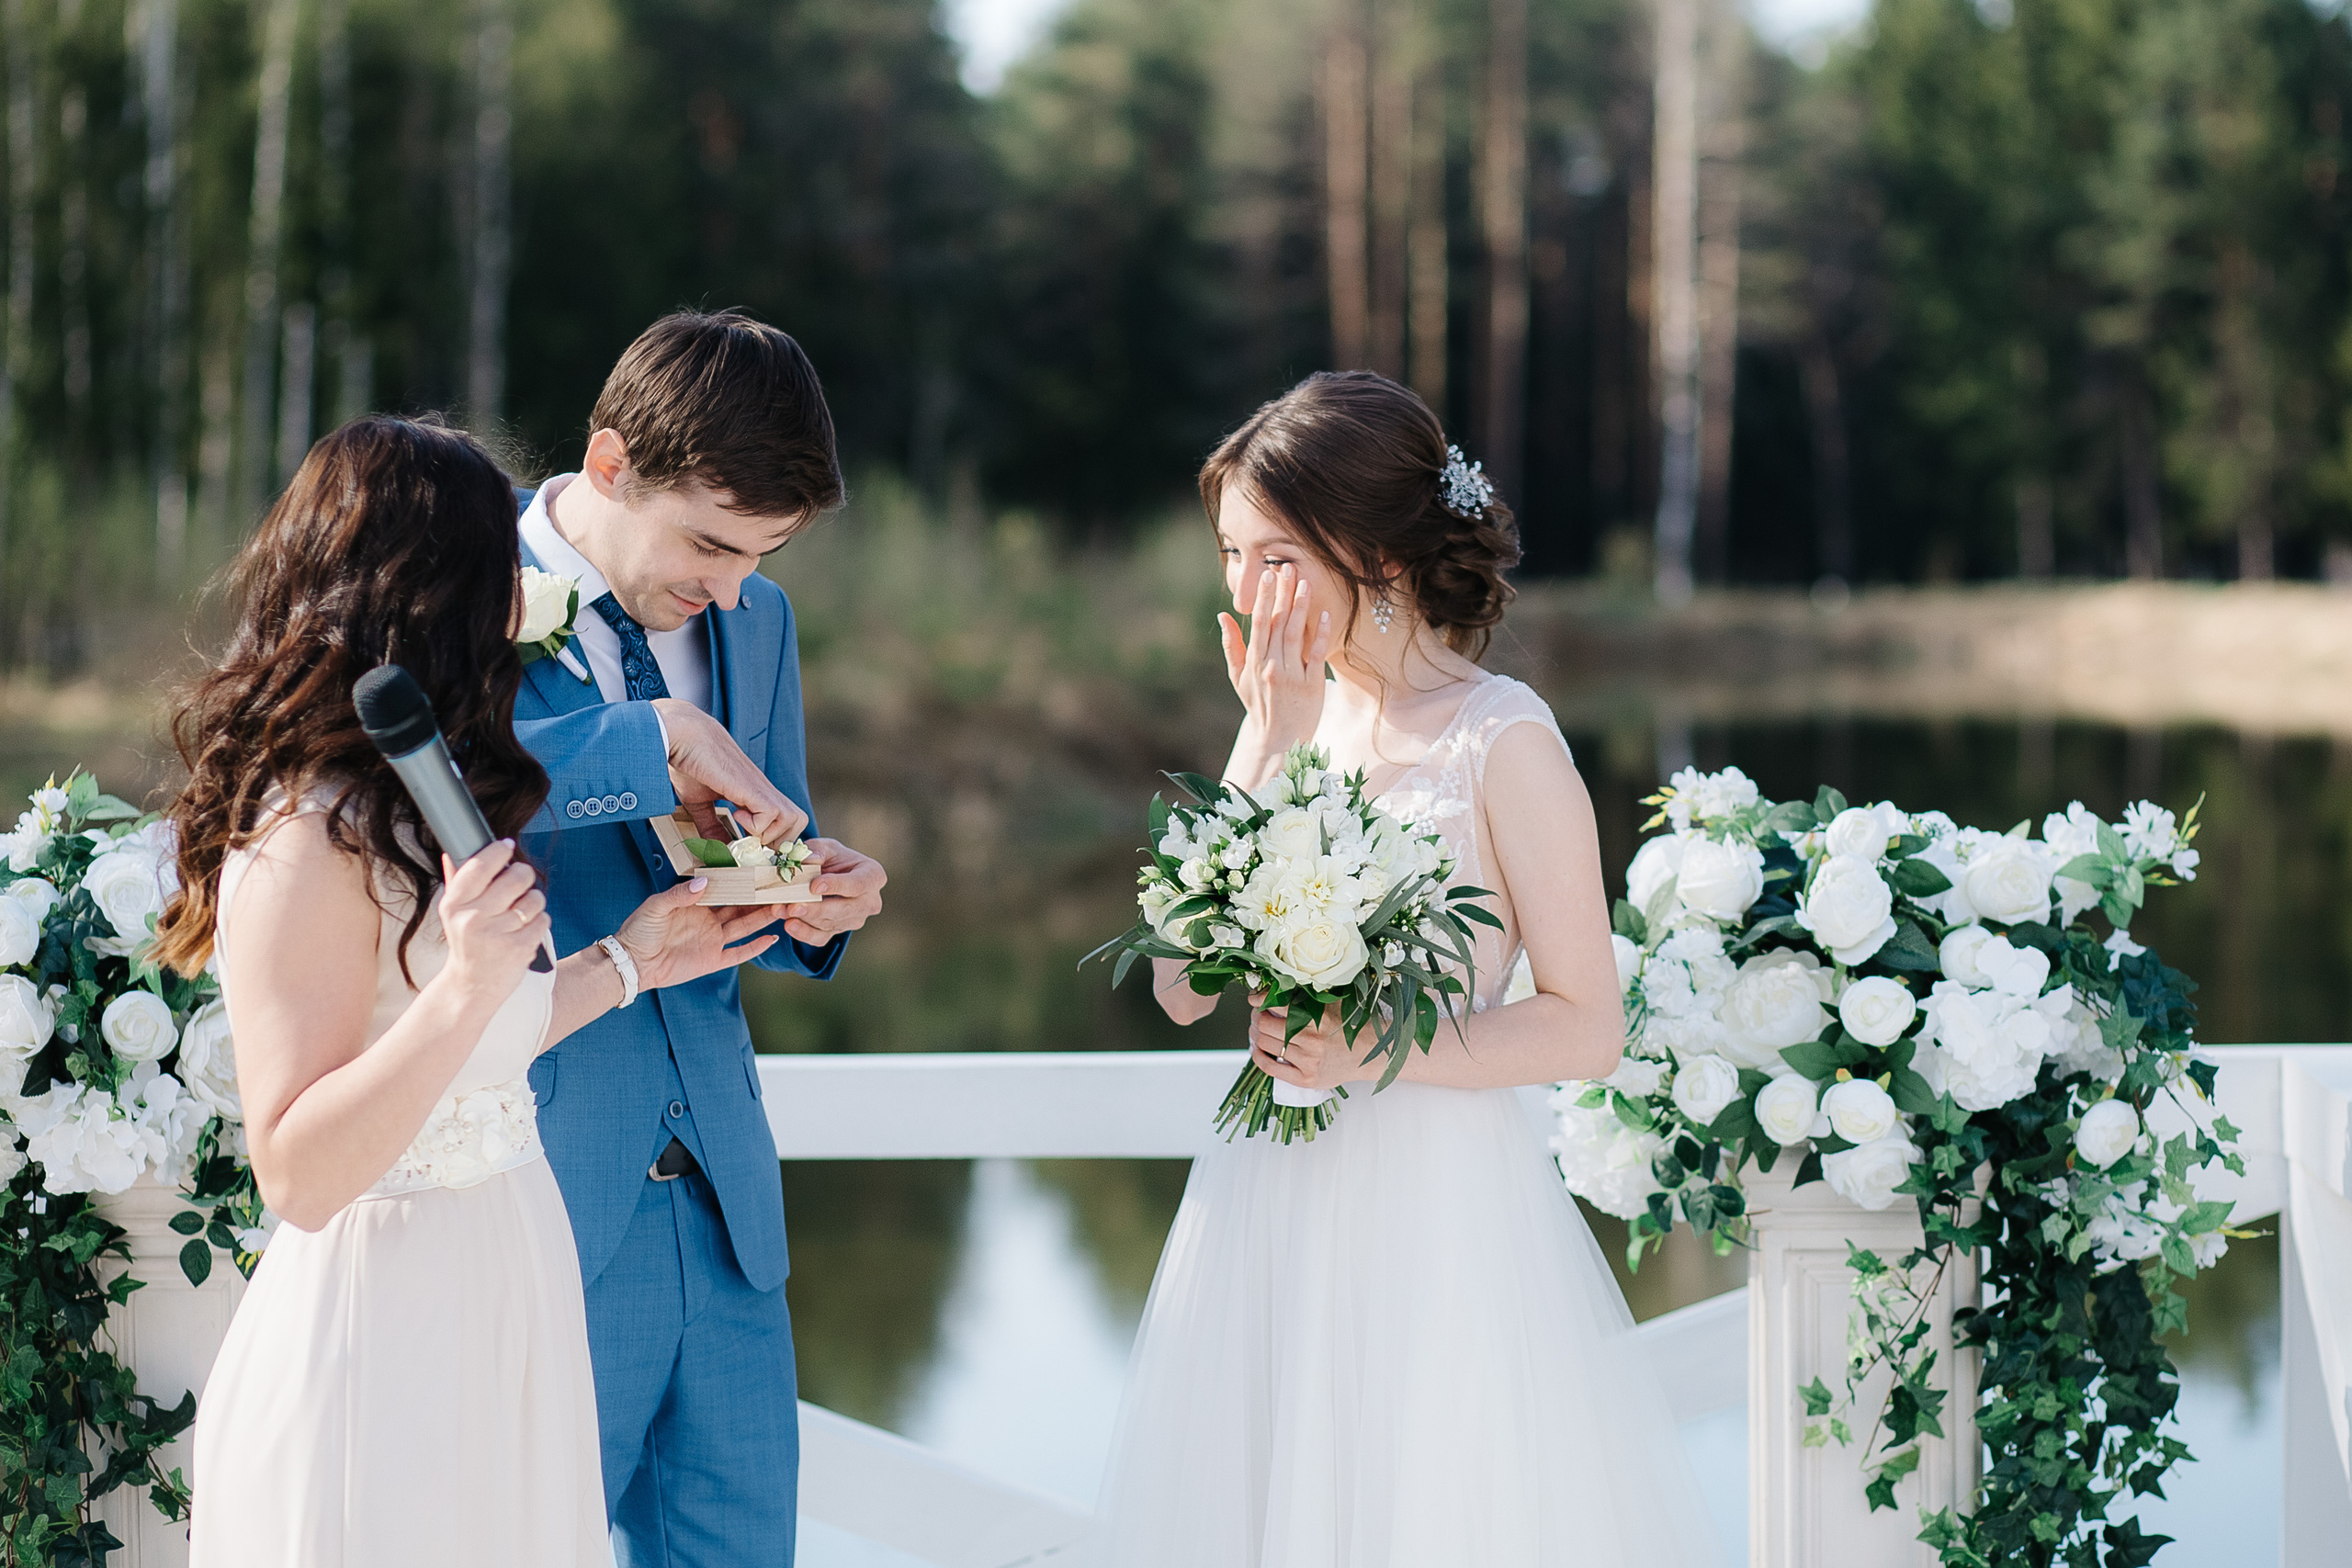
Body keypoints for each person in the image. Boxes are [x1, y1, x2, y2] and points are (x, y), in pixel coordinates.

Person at [1094, 371, 1723, 1567]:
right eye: (1230, 553)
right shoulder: (1292, 720)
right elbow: (1179, 983)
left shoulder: (1505, 739)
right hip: (1268, 1201)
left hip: (1437, 1207)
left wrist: (1372, 1047)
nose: (1242, 589)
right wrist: (1263, 738)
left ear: (1372, 550)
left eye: (1274, 554)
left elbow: (1588, 1024)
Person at [157, 416, 788, 1566]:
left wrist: (636, 956)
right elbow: (297, 1169)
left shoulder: (418, 804)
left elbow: (494, 1040)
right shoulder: (309, 836)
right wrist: (465, 991)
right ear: (427, 597)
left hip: (505, 1297)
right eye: (498, 575)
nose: (519, 603)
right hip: (386, 1334)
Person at [508, 309, 886, 1567]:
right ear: (610, 464)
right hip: (542, 1189)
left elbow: (751, 850)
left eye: (761, 554)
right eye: (712, 545)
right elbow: (419, 789)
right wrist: (648, 742)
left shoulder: (757, 619)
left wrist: (810, 897)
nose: (730, 587)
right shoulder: (451, 577)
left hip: (726, 1208)